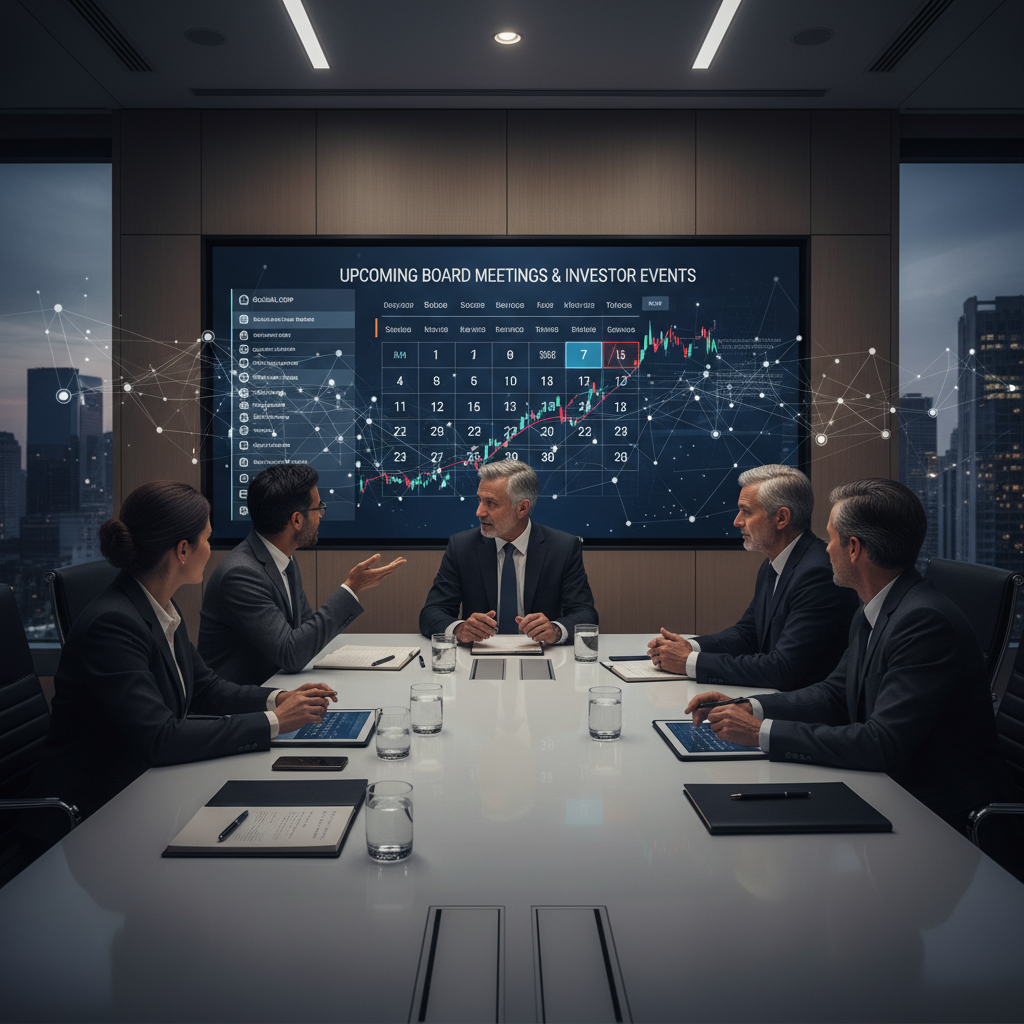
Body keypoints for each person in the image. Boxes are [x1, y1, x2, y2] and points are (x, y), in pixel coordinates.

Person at [24, 481, 337, 849]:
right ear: (183, 550)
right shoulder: (112, 624)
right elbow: (160, 738)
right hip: (93, 815)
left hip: (145, 789)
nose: (210, 549)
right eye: (207, 539)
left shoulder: (159, 606)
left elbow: (205, 688)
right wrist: (275, 722)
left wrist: (278, 699)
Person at [686, 478, 1015, 827]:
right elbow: (835, 694)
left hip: (941, 815)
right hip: (891, 787)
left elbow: (880, 743)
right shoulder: (875, 607)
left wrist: (760, 732)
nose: (826, 549)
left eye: (832, 538)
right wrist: (749, 707)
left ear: (854, 548)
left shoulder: (924, 622)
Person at [648, 464, 859, 690]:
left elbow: (781, 669)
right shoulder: (774, 563)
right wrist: (688, 647)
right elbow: (748, 634)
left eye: (746, 511)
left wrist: (689, 662)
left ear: (781, 518)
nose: (737, 521)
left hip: (802, 707)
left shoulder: (818, 573)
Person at [199, 464, 405, 684]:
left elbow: (304, 634)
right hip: (245, 701)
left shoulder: (283, 558)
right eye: (318, 509)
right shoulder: (240, 575)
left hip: (280, 688)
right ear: (296, 520)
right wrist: (351, 588)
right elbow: (292, 654)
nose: (320, 517)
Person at [419, 460, 597, 644]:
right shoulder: (462, 547)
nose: (479, 512)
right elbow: (431, 613)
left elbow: (586, 614)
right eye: (480, 500)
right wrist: (459, 629)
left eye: (491, 503)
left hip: (542, 654)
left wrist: (555, 630)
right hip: (479, 652)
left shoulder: (563, 548)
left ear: (522, 508)